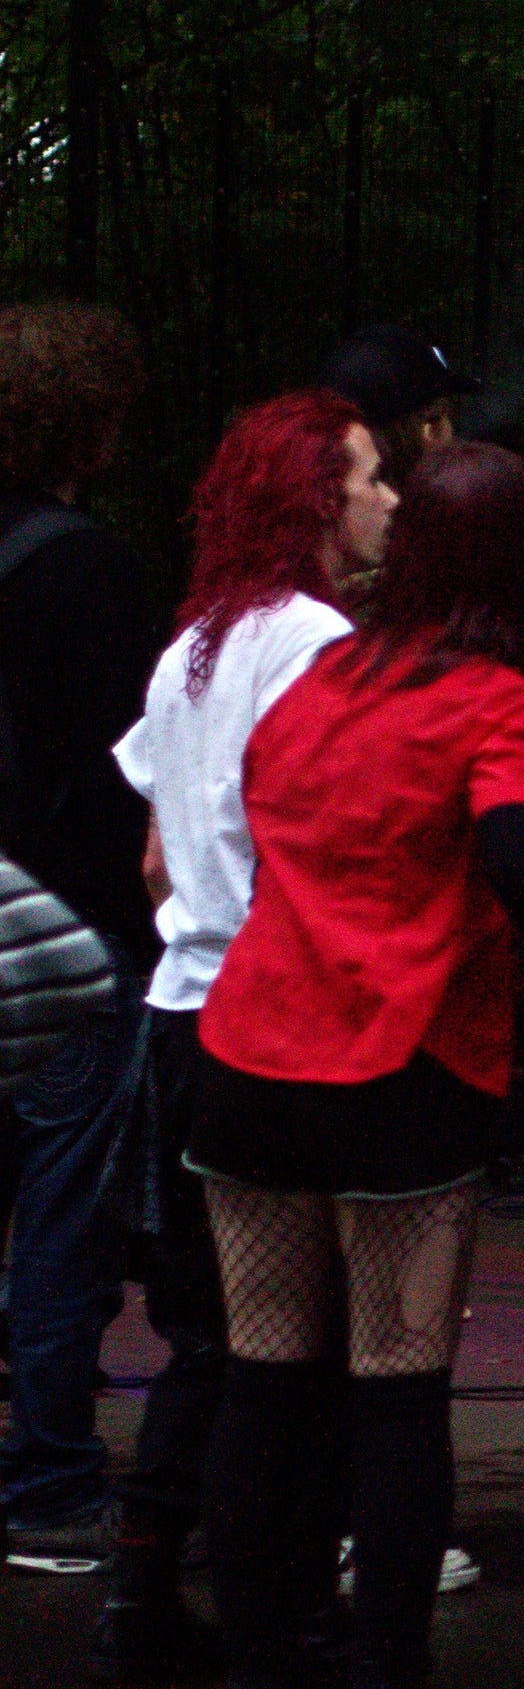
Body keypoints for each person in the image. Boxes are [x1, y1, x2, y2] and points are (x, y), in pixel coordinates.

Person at [186, 443, 524, 1689]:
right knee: (397, 1395)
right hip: (400, 1069)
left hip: (249, 1055)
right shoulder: (492, 700)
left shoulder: (318, 682)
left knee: (263, 1381)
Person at [92, 391, 394, 1679]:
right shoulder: (321, 643)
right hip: (273, 1017)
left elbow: (158, 859)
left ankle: (144, 1579)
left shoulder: (195, 648)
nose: (391, 499)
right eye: (371, 477)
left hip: (182, 1013)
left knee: (213, 1332)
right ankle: (286, 1614)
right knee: (288, 1343)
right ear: (317, 499)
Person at [0, 300, 158, 1578]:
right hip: (60, 929)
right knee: (64, 1215)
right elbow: (119, 780)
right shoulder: (88, 570)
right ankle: (49, 1475)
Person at [316, 324, 478, 492]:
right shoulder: (452, 498)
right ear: (428, 429)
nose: (452, 435)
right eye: (443, 416)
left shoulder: (316, 497)